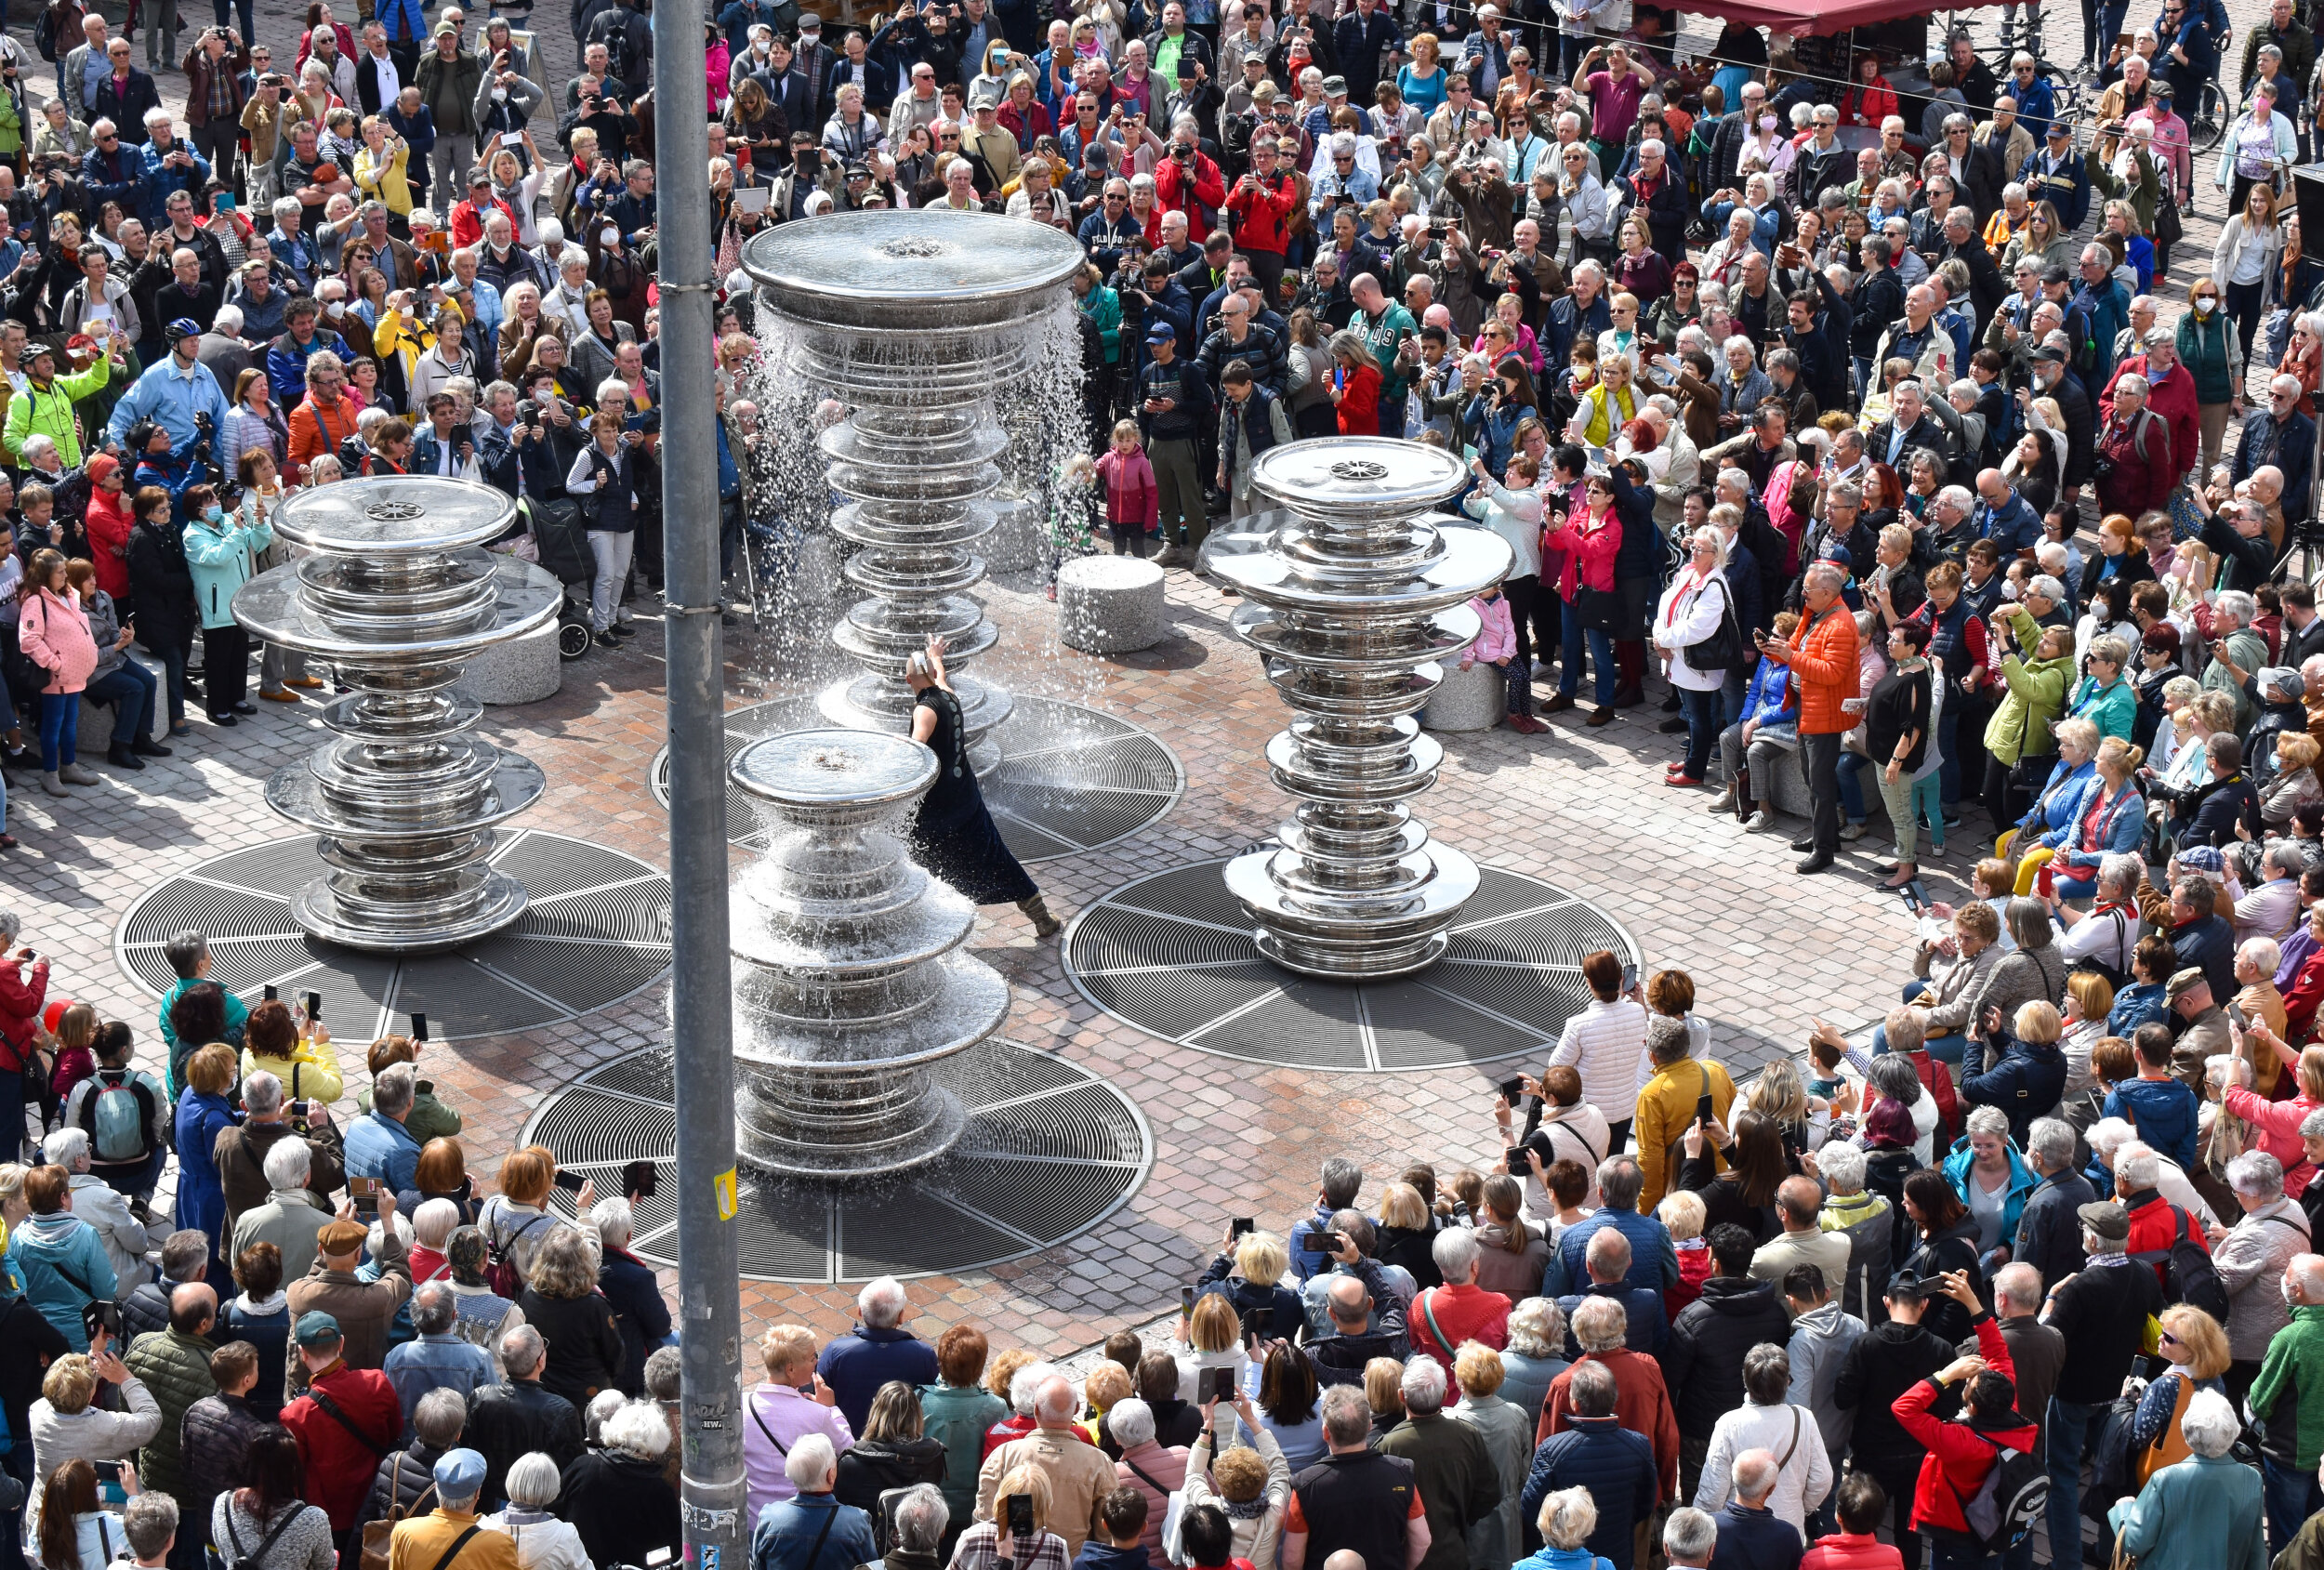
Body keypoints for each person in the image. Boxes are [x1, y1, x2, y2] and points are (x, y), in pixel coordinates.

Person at [899, 635, 1059, 938]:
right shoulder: (947, 694)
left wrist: (897, 751)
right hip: (966, 796)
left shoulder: (924, 711)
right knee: (993, 854)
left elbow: (915, 749)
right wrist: (935, 656)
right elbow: (940, 676)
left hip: (937, 806)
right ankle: (1040, 915)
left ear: (908, 680)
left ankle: (919, 924)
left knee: (915, 858)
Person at [752, 1432, 878, 1570]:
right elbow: (871, 1566)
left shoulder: (769, 1518)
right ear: (830, 1475)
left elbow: (759, 1565)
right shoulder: (857, 1523)